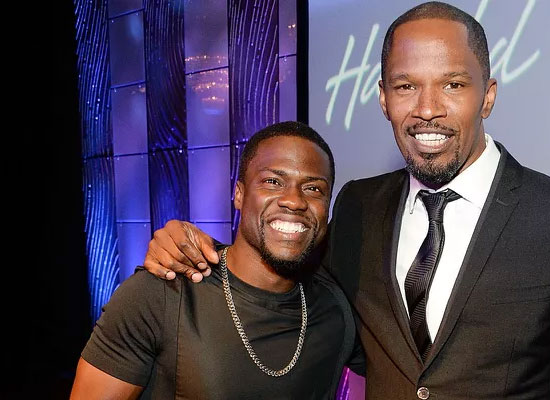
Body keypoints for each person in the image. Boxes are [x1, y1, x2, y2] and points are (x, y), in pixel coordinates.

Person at [142, 2, 550, 399]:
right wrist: (196, 253)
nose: (427, 110)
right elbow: (289, 291)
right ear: (384, 98)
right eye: (406, 87)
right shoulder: (359, 206)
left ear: (487, 95)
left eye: (453, 84)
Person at [71, 122, 363, 399]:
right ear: (239, 194)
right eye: (273, 182)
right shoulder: (163, 293)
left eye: (313, 189)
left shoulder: (335, 309)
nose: (294, 200)